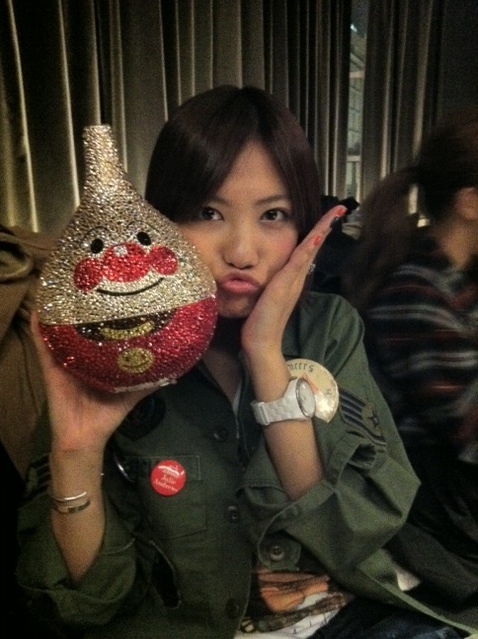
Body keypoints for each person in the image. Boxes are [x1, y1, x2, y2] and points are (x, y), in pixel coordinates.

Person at [14, 86, 475, 638]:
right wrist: (76, 450)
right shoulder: (115, 347)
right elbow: (85, 605)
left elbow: (349, 534)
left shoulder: (328, 328)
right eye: (208, 213)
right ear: (161, 220)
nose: (241, 251)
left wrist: (265, 354)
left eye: (273, 215)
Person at [342, 107, 478, 620]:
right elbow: (471, 433)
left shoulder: (460, 278)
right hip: (437, 507)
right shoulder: (417, 297)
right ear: (470, 202)